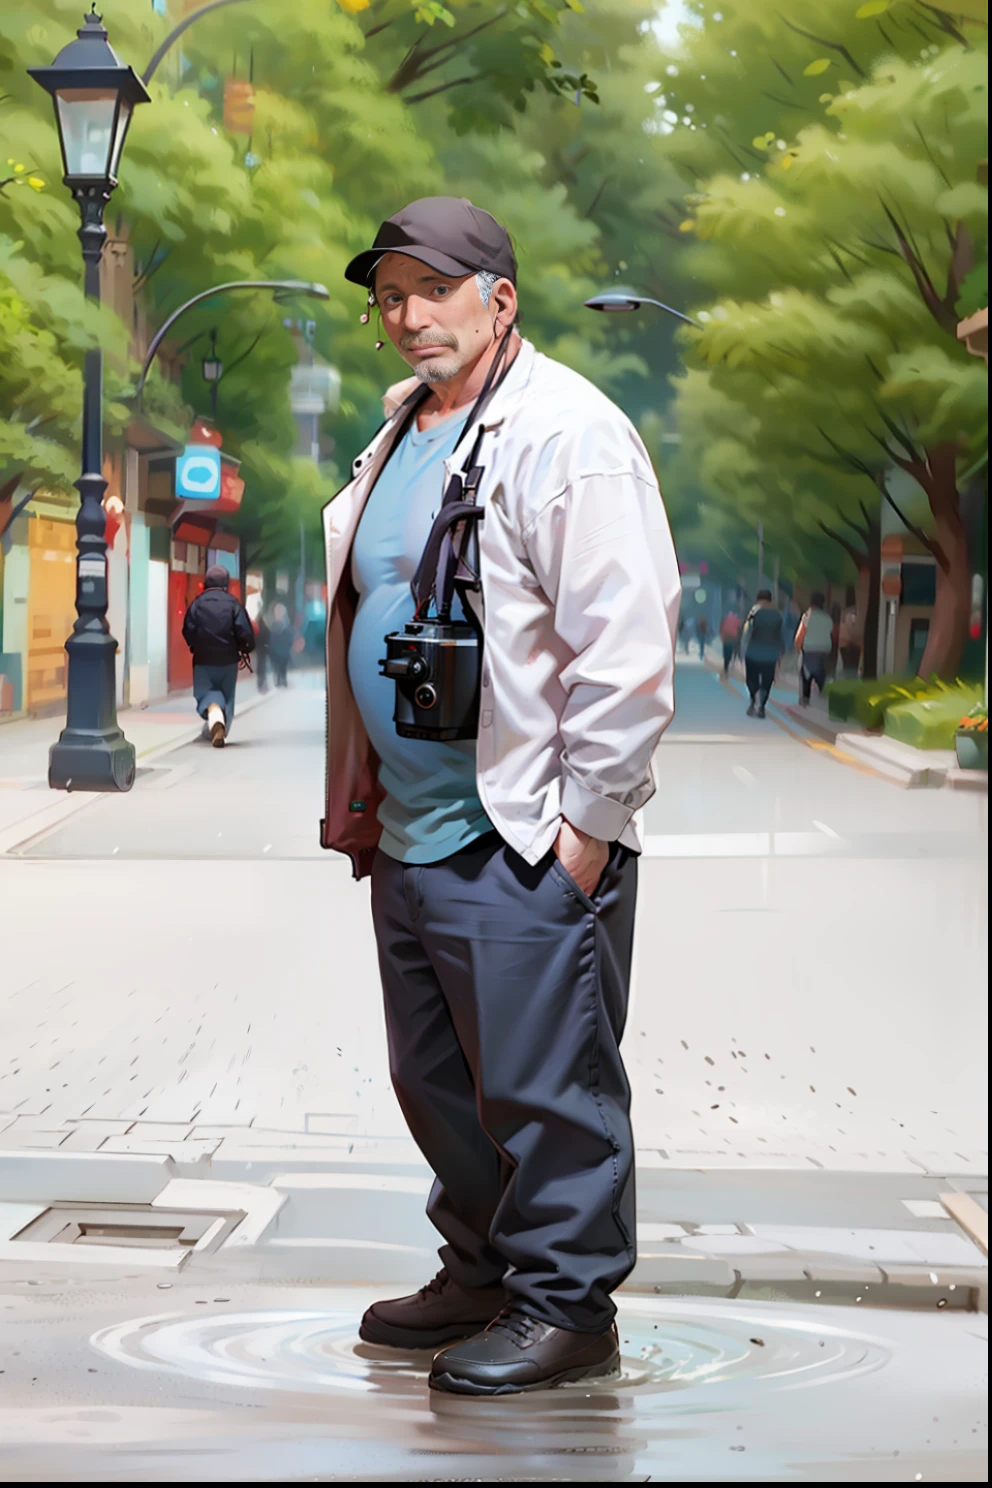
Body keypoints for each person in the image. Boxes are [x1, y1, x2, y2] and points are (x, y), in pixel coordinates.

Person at [321, 196, 681, 1396]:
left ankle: (566, 1307)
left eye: (433, 289)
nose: (409, 313)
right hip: (414, 834)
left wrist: (583, 836)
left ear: (500, 299)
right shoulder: (401, 431)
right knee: (437, 1084)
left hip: (522, 830)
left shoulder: (568, 433)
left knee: (543, 1088)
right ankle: (480, 1273)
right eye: (390, 296)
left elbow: (624, 651)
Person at [181, 565, 254, 747]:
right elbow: (244, 631)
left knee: (206, 692)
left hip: (203, 660)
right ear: (226, 583)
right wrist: (245, 647)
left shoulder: (197, 604)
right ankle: (220, 726)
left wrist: (194, 645)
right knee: (227, 696)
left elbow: (187, 630)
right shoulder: (233, 604)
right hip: (228, 661)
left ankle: (214, 717)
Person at [741, 588, 783, 718]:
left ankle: (753, 699)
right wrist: (781, 653)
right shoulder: (777, 614)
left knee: (751, 679)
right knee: (767, 680)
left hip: (754, 652)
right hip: (771, 654)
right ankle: (762, 707)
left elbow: (747, 632)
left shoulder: (754, 611)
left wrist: (743, 648)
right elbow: (780, 636)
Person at [795, 591, 835, 705]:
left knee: (805, 678)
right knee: (822, 679)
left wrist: (799, 650)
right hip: (824, 652)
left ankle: (804, 701)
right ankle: (825, 704)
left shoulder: (807, 616)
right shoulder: (828, 618)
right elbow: (832, 635)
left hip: (809, 652)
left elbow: (799, 637)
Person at [268, 603, 295, 688]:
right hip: (275, 650)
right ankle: (279, 678)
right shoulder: (273, 626)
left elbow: (290, 637)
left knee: (282, 665)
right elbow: (271, 638)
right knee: (277, 665)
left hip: (284, 651)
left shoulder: (286, 626)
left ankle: (282, 678)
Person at [254, 611, 271, 694]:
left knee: (259, 666)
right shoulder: (265, 627)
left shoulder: (256, 628)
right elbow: (268, 637)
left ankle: (260, 683)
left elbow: (253, 638)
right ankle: (263, 683)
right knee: (263, 666)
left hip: (258, 649)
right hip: (264, 649)